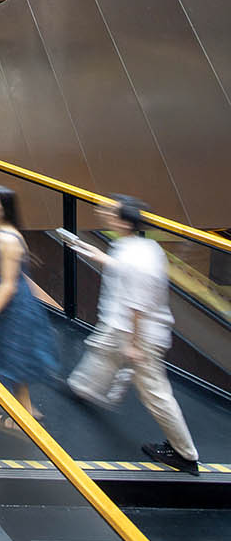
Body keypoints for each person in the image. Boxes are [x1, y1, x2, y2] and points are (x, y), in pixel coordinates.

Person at [66, 195, 201, 474]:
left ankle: (185, 454)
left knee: (154, 393)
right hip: (121, 326)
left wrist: (133, 344)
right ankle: (82, 387)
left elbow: (137, 305)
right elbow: (126, 273)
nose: (103, 212)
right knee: (103, 352)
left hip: (139, 334)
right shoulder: (139, 246)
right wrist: (98, 255)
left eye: (110, 211)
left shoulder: (137, 256)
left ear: (124, 221)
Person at [0, 184, 59, 425]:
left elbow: (9, 284)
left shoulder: (6, 238)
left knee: (11, 356)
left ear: (2, 206)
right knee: (9, 356)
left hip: (11, 306)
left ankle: (22, 417)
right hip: (3, 299)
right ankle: (23, 410)